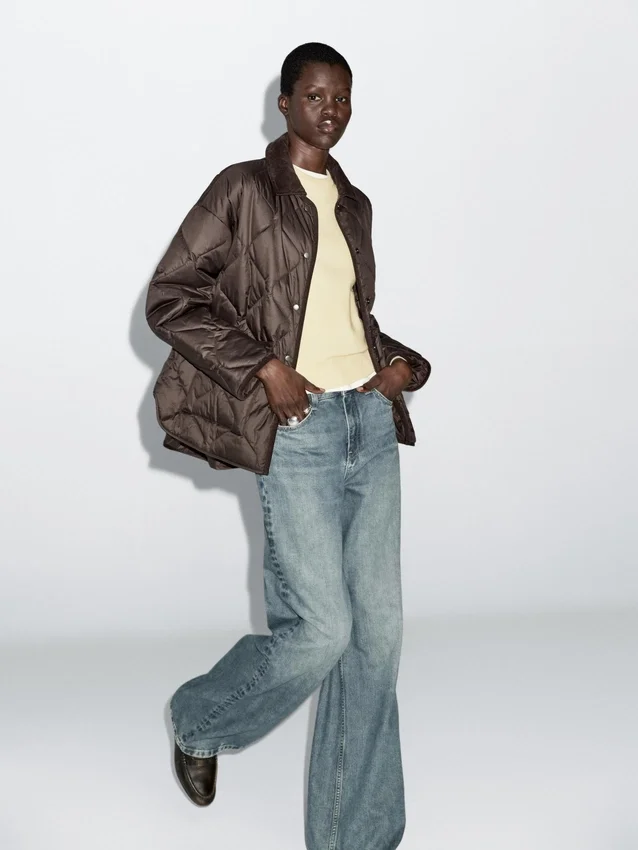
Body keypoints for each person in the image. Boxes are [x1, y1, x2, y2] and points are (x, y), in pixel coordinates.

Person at [146, 41, 431, 850]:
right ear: (285, 102)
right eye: (315, 95)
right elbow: (172, 296)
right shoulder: (243, 188)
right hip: (300, 434)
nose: (330, 110)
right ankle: (200, 720)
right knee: (321, 631)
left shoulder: (355, 203)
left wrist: (397, 366)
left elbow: (346, 319)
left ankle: (356, 838)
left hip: (367, 424)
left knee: (376, 640)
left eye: (342, 98)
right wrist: (265, 368)